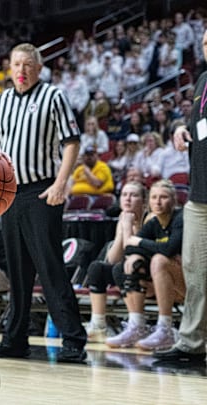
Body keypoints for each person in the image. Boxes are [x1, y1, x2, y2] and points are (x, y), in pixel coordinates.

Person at [0, 43, 88, 363]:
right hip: (10, 192)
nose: (22, 70)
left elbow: (72, 141)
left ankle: (73, 340)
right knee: (18, 272)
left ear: (39, 69)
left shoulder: (53, 96)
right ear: (9, 68)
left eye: (28, 64)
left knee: (49, 267)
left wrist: (61, 183)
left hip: (43, 191)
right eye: (17, 64)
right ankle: (15, 339)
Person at [154, 29, 207, 365]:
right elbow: (196, 122)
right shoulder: (203, 80)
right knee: (195, 271)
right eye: (204, 41)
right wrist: (179, 127)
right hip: (199, 194)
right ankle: (191, 343)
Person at [104, 179, 184, 351]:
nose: (158, 201)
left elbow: (169, 249)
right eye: (154, 197)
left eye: (164, 197)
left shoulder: (180, 218)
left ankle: (165, 328)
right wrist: (126, 230)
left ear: (174, 201)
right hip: (163, 285)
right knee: (129, 263)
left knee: (159, 260)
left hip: (190, 284)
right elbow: (129, 248)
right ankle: (137, 325)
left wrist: (140, 241)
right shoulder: (154, 223)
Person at [83, 181, 148, 342]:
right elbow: (112, 259)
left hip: (146, 274)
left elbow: (136, 252)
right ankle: (98, 325)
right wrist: (121, 233)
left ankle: (136, 325)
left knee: (120, 269)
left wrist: (127, 228)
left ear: (144, 201)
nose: (127, 199)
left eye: (133, 195)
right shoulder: (123, 219)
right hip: (124, 273)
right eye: (124, 195)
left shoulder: (150, 219)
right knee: (97, 268)